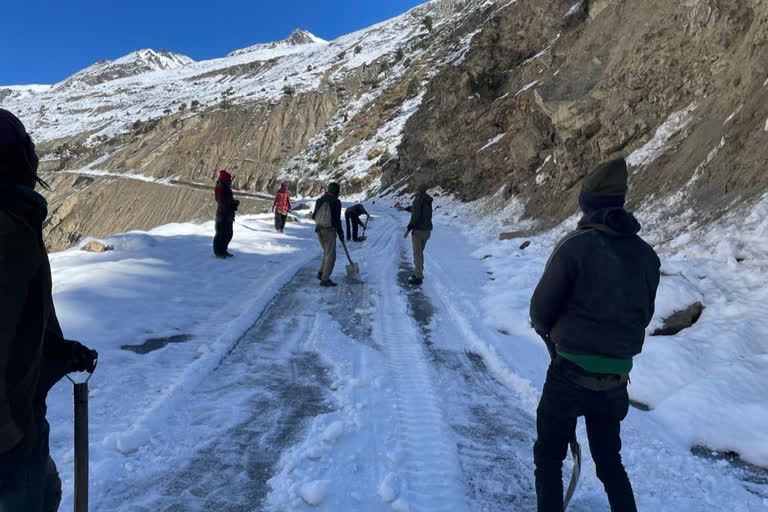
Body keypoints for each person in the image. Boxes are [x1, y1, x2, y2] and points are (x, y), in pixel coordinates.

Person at [529, 157, 660, 512]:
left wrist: (552, 333)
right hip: (615, 379)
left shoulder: (574, 245)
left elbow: (540, 311)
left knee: (549, 457)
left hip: (568, 374)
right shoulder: (647, 256)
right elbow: (643, 315)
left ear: (586, 203)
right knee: (610, 463)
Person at [0, 109, 98, 512]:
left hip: (22, 426)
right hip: (10, 441)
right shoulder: (9, 231)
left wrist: (55, 350)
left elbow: (16, 321)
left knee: (48, 492)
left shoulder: (18, 222)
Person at [312, 182, 343, 287]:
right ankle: (325, 279)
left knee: (326, 252)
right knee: (331, 255)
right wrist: (341, 234)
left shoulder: (320, 200)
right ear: (336, 191)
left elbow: (313, 216)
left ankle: (321, 273)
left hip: (319, 229)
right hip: (329, 231)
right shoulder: (336, 202)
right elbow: (337, 221)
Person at [403, 183, 433, 285]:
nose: (415, 190)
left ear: (419, 190)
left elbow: (415, 216)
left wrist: (408, 229)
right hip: (427, 231)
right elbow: (417, 210)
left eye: (416, 189)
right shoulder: (427, 200)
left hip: (418, 231)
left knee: (417, 254)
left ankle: (418, 277)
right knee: (420, 253)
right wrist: (405, 209)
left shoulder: (418, 200)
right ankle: (419, 272)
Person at [213, 170, 239, 258]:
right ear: (225, 180)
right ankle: (218, 252)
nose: (230, 181)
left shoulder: (225, 188)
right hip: (223, 215)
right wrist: (232, 204)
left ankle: (223, 250)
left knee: (228, 234)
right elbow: (222, 202)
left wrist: (233, 203)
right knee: (221, 234)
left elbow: (227, 201)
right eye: (229, 180)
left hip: (227, 215)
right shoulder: (221, 188)